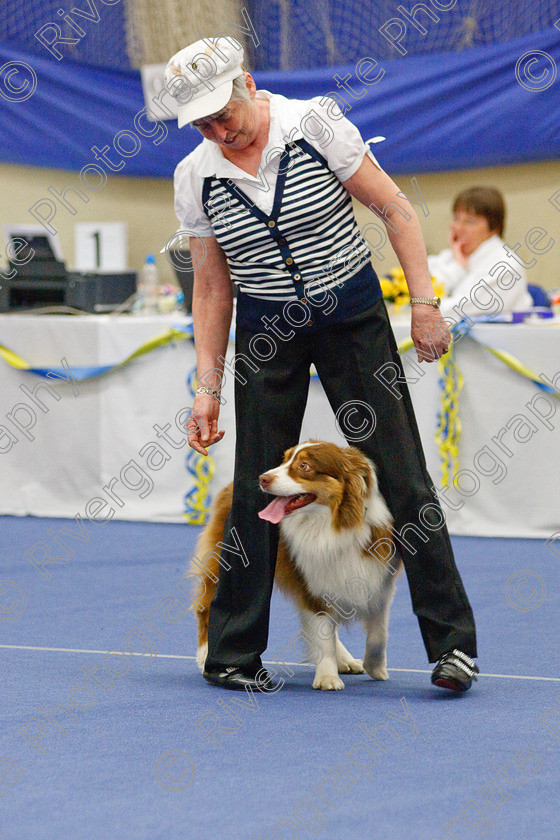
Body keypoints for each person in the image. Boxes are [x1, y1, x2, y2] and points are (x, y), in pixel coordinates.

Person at [166, 37, 478, 693]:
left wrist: (424, 306)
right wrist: (206, 389)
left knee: (401, 476)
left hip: (351, 318)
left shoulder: (315, 123)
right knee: (258, 489)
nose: (218, 129)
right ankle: (232, 652)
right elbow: (211, 288)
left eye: (223, 111)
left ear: (247, 83)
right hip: (266, 328)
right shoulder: (196, 175)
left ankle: (453, 646)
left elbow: (394, 210)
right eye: (202, 122)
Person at [428, 186, 533, 322]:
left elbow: (454, 310)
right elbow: (411, 294)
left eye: (469, 222)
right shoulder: (448, 257)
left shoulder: (507, 267)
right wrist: (457, 267)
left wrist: (458, 269)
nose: (458, 228)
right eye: (456, 218)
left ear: (493, 228)